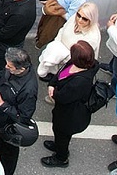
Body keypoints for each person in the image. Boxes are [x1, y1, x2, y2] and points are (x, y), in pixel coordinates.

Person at [41, 39, 99, 167]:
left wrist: (53, 93)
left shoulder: (80, 81)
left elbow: (63, 97)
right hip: (65, 110)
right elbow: (60, 73)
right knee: (59, 132)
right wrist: (52, 83)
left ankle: (61, 158)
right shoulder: (76, 63)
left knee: (62, 133)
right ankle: (58, 145)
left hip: (70, 115)